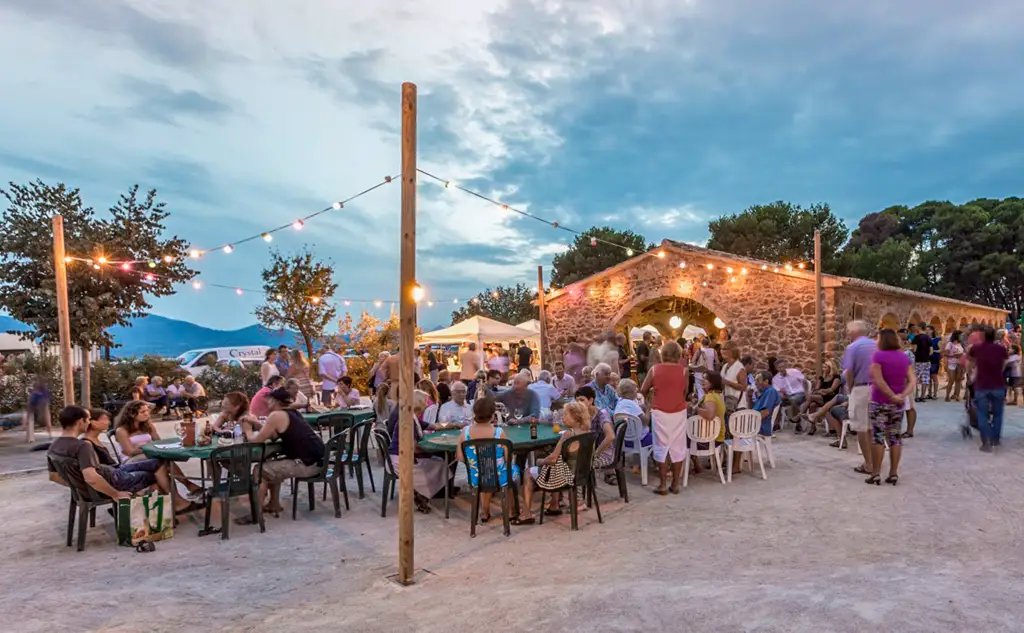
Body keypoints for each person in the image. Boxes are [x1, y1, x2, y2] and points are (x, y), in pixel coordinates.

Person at [49, 406, 194, 512]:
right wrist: (115, 494)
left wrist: (78, 487)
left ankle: (166, 506)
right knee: (157, 474)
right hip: (114, 480)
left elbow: (54, 477)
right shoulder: (82, 446)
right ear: (81, 421)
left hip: (111, 473)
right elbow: (91, 477)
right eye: (87, 419)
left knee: (159, 462)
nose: (88, 422)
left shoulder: (53, 447)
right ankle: (173, 505)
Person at [241, 387, 326, 517]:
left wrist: (247, 429)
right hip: (318, 461)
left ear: (275, 401)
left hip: (307, 465)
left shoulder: (276, 415)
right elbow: (274, 435)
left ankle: (255, 514)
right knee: (272, 464)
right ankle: (274, 504)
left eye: (269, 400)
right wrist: (257, 424)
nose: (267, 403)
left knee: (260, 471)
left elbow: (256, 440)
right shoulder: (293, 412)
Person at [514, 400, 587, 525]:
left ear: (575, 417)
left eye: (565, 415)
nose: (563, 418)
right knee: (556, 465)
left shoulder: (568, 434)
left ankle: (526, 513)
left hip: (564, 477)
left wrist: (540, 461)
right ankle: (554, 505)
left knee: (528, 472)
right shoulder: (587, 432)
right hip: (579, 474)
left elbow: (553, 459)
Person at [115, 400, 203, 499]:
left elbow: (158, 443)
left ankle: (178, 496)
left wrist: (149, 448)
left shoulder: (147, 426)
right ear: (131, 414)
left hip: (148, 455)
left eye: (147, 411)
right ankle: (187, 488)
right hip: (130, 461)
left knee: (165, 461)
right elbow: (130, 452)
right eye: (143, 412)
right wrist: (147, 448)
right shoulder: (122, 430)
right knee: (163, 461)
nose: (147, 414)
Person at [457, 397, 520, 522]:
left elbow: (460, 457)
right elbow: (508, 459)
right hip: (499, 477)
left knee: (485, 473)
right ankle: (512, 511)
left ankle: (485, 513)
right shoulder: (499, 432)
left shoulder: (465, 432)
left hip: (476, 477)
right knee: (513, 471)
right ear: (492, 415)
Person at [387, 390, 448, 512]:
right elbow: (413, 448)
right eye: (425, 402)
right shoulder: (409, 422)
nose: (427, 404)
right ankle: (422, 494)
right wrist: (431, 449)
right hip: (400, 459)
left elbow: (433, 426)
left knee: (438, 462)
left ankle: (422, 494)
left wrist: (453, 425)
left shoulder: (412, 417)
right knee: (439, 464)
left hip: (403, 456)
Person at [640, 340, 688, 495]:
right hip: (679, 410)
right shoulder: (683, 371)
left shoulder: (654, 370)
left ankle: (662, 484)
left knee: (661, 446)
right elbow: (684, 392)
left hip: (660, 411)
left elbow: (643, 389)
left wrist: (653, 394)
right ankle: (675, 483)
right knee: (678, 445)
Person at [867, 329, 914, 485]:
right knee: (895, 437)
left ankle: (876, 473)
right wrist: (901, 395)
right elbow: (912, 381)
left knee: (878, 437)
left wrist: (890, 395)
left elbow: (879, 380)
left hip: (880, 402)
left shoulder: (878, 356)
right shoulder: (904, 357)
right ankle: (893, 472)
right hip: (898, 405)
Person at [842, 321, 878, 472]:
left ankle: (868, 464)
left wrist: (850, 389)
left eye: (848, 331)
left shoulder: (852, 347)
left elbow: (849, 371)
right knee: (873, 428)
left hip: (861, 387)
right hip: (878, 388)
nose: (847, 334)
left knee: (862, 428)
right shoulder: (876, 345)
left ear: (854, 332)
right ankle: (876, 462)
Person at [968, 326, 1009, 452]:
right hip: (998, 384)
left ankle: (985, 442)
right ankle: (995, 439)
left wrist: (971, 376)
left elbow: (971, 362)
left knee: (982, 413)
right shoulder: (1001, 349)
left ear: (983, 336)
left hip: (982, 385)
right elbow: (1004, 364)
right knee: (998, 414)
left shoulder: (976, 348)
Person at [575, 386, 616, 481]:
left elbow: (611, 436)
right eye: (577, 401)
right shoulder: (584, 414)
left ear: (590, 400)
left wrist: (595, 454)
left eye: (582, 400)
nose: (579, 403)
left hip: (605, 453)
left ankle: (579, 490)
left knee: (572, 463)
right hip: (590, 450)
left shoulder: (601, 414)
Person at [772, 359, 807, 432]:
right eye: (780, 367)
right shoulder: (775, 379)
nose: (782, 369)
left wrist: (806, 393)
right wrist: (781, 395)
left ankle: (798, 423)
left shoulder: (794, 372)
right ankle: (776, 424)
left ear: (786, 365)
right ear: (776, 368)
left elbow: (805, 382)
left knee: (793, 399)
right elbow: (779, 392)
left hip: (800, 394)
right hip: (787, 396)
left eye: (783, 366)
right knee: (776, 401)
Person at [720, 342, 749, 415]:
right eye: (722, 349)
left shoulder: (739, 367)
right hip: (728, 404)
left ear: (732, 351)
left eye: (725, 349)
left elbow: (743, 387)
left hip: (738, 406)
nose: (722, 351)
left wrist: (727, 382)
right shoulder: (725, 366)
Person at [751, 371, 781, 437]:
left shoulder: (770, 391)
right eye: (755, 381)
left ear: (766, 381)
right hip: (756, 423)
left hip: (761, 426)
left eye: (758, 380)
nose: (755, 383)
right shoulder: (764, 392)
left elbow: (765, 412)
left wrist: (750, 421)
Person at [912, 323, 932, 403]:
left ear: (919, 327)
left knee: (916, 378)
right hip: (926, 361)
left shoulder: (916, 337)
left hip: (918, 360)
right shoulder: (928, 338)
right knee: (925, 378)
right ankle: (922, 396)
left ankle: (916, 395)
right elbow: (931, 351)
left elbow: (914, 349)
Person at [944, 331, 966, 402]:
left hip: (959, 364)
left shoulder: (961, 344)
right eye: (961, 335)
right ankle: (947, 396)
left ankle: (957, 396)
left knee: (958, 381)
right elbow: (945, 354)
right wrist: (954, 355)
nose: (962, 337)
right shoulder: (949, 344)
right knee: (951, 380)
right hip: (952, 364)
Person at [928, 326, 942, 400]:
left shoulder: (938, 339)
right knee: (928, 377)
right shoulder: (927, 339)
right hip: (928, 359)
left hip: (935, 359)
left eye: (929, 330)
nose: (928, 331)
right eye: (927, 330)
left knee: (934, 376)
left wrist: (932, 351)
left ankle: (935, 393)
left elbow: (941, 350)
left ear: (932, 331)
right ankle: (929, 393)